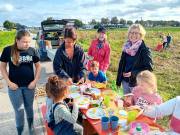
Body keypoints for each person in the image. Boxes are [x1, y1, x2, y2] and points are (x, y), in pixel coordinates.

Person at [0, 29, 41, 135]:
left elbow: (38, 66)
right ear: (17, 40)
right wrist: (9, 82)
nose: (27, 44)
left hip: (29, 87)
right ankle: (20, 132)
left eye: (29, 41)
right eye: (24, 42)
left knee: (29, 108)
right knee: (19, 111)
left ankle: (31, 128)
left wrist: (35, 81)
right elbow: (2, 66)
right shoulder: (7, 50)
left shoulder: (32, 50)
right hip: (14, 88)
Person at [116, 24, 153, 94]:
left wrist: (133, 73)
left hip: (136, 83)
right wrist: (118, 81)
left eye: (136, 33)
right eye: (131, 32)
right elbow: (121, 65)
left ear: (141, 35)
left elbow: (149, 68)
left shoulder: (144, 50)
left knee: (136, 103)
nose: (133, 35)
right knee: (126, 102)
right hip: (125, 81)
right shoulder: (126, 48)